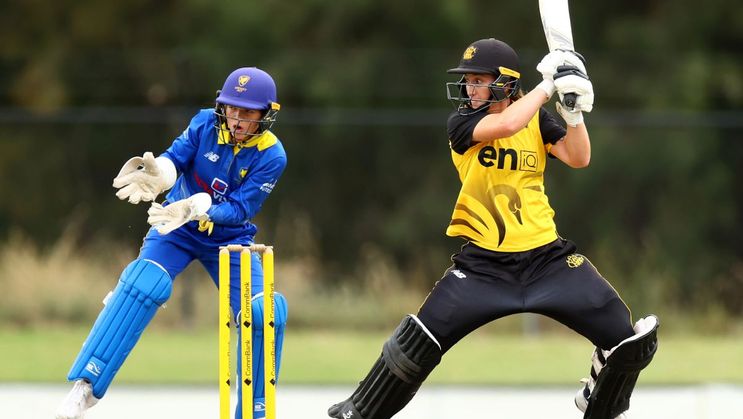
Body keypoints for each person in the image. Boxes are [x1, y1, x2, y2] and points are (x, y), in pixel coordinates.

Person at [327, 38, 658, 419]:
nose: (469, 88)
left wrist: (573, 112)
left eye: (478, 80)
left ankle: (598, 400)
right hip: (483, 267)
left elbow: (579, 157)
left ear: (505, 83)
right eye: (467, 81)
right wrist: (549, 84)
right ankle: (359, 412)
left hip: (548, 260)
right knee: (416, 344)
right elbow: (507, 124)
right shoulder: (462, 123)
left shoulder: (536, 118)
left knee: (627, 338)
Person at [55, 67, 288, 419]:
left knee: (264, 313)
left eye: (247, 112)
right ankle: (85, 387)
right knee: (143, 284)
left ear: (266, 114)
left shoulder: (272, 155)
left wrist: (200, 207)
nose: (237, 119)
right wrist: (159, 175)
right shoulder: (205, 123)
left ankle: (255, 412)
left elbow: (241, 208)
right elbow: (175, 159)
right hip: (176, 224)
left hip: (230, 238)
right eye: (232, 109)